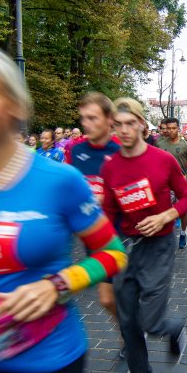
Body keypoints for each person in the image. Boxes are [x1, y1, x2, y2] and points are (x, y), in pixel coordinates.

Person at [0, 43, 127, 373]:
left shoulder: (58, 180)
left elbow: (113, 253)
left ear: (13, 105)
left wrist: (57, 284)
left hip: (48, 361)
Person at [101, 98, 187, 373]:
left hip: (159, 246)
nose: (125, 130)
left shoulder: (162, 159)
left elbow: (186, 197)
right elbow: (109, 214)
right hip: (126, 247)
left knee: (151, 322)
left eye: (131, 123)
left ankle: (174, 327)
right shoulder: (111, 167)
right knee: (127, 319)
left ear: (143, 124)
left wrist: (166, 216)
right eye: (119, 125)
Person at [67, 92, 122, 325]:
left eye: (92, 118)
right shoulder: (75, 150)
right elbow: (67, 187)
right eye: (83, 118)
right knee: (108, 299)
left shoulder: (121, 150)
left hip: (125, 234)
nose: (86, 124)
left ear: (110, 119)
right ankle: (127, 334)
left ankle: (132, 334)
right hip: (96, 236)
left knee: (117, 296)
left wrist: (108, 197)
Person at [156, 117, 187, 249]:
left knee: (182, 212)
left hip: (180, 183)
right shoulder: (160, 144)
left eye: (174, 128)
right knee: (164, 210)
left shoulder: (186, 146)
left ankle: (183, 233)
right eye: (169, 128)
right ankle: (166, 237)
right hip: (164, 184)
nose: (171, 131)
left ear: (178, 129)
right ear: (165, 128)